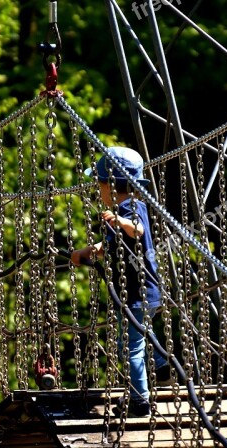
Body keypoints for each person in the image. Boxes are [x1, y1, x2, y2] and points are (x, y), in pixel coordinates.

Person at [70, 147, 174, 417]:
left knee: (129, 348)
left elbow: (136, 229)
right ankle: (163, 366)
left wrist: (119, 220)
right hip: (143, 292)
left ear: (110, 186)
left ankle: (141, 402)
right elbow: (109, 246)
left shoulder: (131, 209)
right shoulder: (119, 213)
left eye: (100, 185)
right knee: (141, 333)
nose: (99, 191)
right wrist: (85, 252)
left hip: (137, 292)